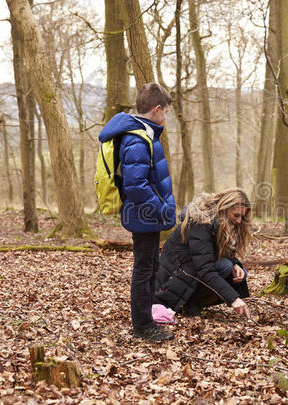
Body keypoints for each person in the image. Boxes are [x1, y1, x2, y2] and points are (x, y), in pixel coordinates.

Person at [98, 82, 176, 342]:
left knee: (151, 266)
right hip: (144, 215)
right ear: (156, 109)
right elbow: (136, 185)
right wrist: (161, 209)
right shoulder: (136, 139)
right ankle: (142, 326)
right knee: (144, 269)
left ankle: (147, 319)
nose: (165, 116)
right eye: (165, 111)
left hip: (147, 215)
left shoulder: (143, 133)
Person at [153, 189, 252, 319]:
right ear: (224, 208)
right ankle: (189, 301)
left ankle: (192, 301)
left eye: (242, 217)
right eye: (236, 215)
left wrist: (235, 263)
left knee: (237, 270)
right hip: (171, 279)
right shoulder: (200, 222)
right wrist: (233, 299)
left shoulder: (216, 221)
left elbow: (211, 251)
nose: (239, 221)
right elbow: (205, 268)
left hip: (190, 268)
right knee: (225, 266)